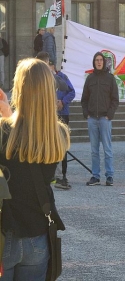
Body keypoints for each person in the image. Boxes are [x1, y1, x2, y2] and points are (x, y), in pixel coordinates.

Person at [0, 58, 70, 280]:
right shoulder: (59, 135)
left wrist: (6, 115)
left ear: (19, 89)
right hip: (38, 234)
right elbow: (30, 142)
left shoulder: (3, 130)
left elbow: (17, 143)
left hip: (5, 232)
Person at [36, 51, 75, 190]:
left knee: (60, 144)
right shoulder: (37, 79)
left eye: (46, 64)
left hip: (61, 114)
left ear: (51, 65)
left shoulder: (60, 77)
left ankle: (60, 175)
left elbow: (69, 90)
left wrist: (62, 101)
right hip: (44, 115)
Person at [81, 52, 119, 186]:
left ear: (104, 62)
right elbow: (84, 99)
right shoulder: (90, 79)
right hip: (92, 119)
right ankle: (95, 176)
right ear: (94, 62)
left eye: (101, 60)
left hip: (105, 119)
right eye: (96, 60)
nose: (98, 62)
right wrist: (86, 114)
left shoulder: (110, 78)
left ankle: (109, 176)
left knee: (107, 149)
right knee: (94, 150)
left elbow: (115, 99)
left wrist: (110, 115)